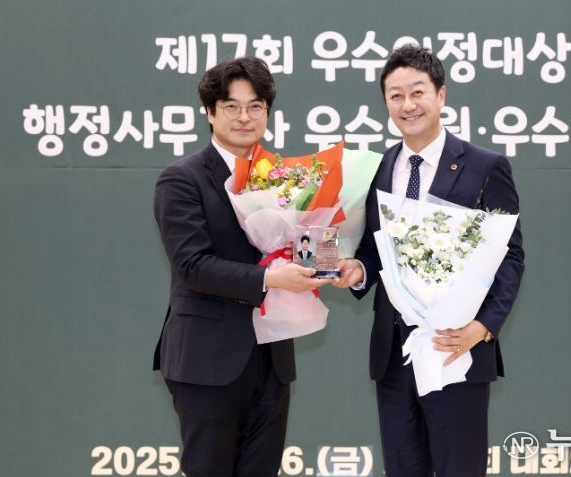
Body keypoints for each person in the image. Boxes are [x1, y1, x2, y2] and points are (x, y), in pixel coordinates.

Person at [333, 45, 525, 477]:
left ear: (441, 95)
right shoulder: (379, 168)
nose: (408, 105)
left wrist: (483, 327)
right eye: (396, 96)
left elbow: (510, 255)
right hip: (394, 355)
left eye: (417, 92)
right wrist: (357, 270)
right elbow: (374, 249)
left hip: (456, 347)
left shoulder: (485, 166)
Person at [152, 57, 328, 477]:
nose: (244, 117)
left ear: (267, 112)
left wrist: (325, 263)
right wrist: (271, 278)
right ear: (210, 113)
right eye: (231, 106)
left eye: (255, 106)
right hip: (207, 359)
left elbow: (306, 238)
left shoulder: (286, 177)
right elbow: (192, 265)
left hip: (271, 360)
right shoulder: (181, 179)